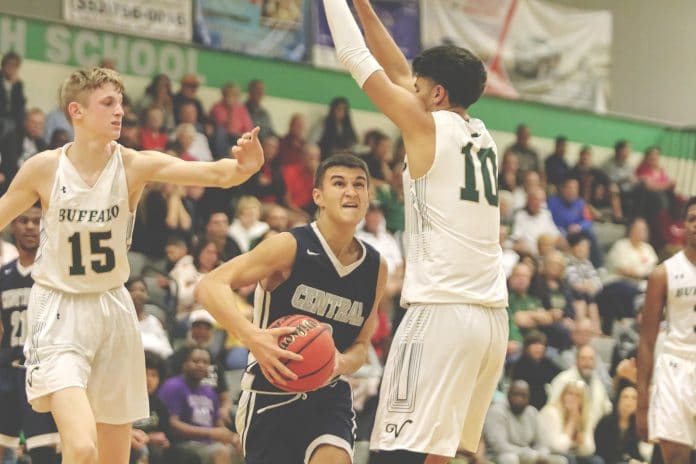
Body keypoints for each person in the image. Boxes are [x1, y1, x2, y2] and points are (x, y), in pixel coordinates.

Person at [0, 67, 263, 464]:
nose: (120, 111)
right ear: (77, 111)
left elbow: (216, 174)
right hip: (58, 309)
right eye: (108, 103)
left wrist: (245, 166)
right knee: (82, 447)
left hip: (112, 308)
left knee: (112, 456)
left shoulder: (133, 165)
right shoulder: (45, 168)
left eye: (121, 102)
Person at [322, 2, 509, 462]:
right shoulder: (482, 135)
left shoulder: (426, 125)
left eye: (420, 86)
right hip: (491, 320)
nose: (412, 88)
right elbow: (400, 72)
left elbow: (352, 56)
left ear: (437, 94)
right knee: (439, 454)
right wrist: (365, 8)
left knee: (395, 452)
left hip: (441, 314)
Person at [195, 154, 388, 464]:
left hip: (329, 395)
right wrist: (252, 337)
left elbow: (362, 346)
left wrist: (339, 362)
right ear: (318, 197)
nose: (351, 191)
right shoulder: (290, 246)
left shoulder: (376, 267)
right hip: (271, 394)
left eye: (359, 184)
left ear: (368, 197)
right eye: (339, 183)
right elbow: (209, 285)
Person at [637, 196, 696, 464]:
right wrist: (642, 403)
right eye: (692, 218)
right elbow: (647, 341)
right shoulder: (664, 273)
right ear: (684, 224)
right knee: (675, 459)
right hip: (676, 366)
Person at [0, 205, 61, 463]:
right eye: (23, 221)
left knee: (44, 452)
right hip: (7, 370)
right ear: (12, 226)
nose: (30, 227)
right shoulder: (3, 276)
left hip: (42, 370)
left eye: (37, 222)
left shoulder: (55, 272)